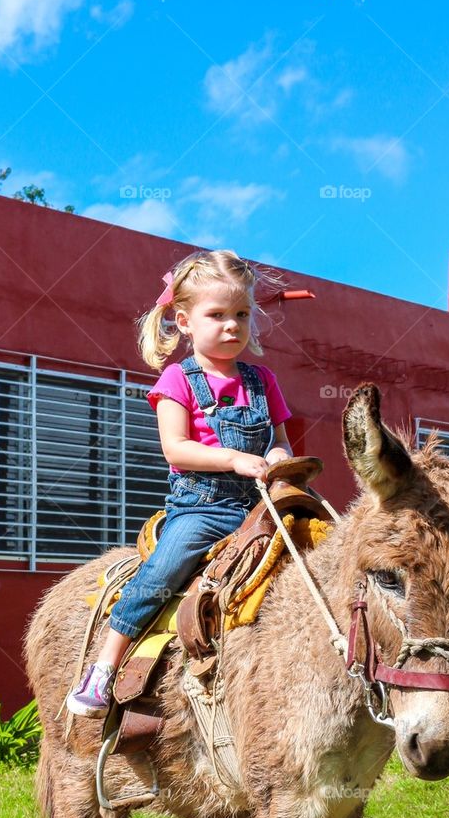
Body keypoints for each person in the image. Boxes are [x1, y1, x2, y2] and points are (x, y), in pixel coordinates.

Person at [66, 249, 294, 717]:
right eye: (217, 315)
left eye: (242, 314)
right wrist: (234, 459)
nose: (232, 326)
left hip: (260, 504)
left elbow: (282, 441)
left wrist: (277, 460)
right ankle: (105, 665)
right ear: (185, 322)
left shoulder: (263, 380)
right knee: (162, 573)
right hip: (202, 508)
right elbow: (176, 448)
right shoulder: (178, 379)